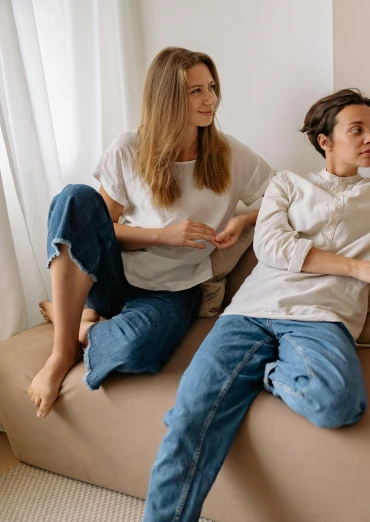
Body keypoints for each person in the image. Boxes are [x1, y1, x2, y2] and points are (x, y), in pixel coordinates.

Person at [142, 88, 370, 521]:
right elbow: (272, 246)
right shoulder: (287, 184)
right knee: (189, 417)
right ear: (325, 141)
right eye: (356, 130)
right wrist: (358, 268)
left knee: (339, 404)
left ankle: (268, 375)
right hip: (251, 312)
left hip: (321, 319)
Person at [28, 47, 274, 419]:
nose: (211, 100)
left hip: (174, 291)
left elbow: (288, 198)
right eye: (196, 91)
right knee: (74, 198)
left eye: (211, 87)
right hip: (113, 276)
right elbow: (100, 227)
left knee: (134, 351)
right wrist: (163, 236)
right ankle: (61, 354)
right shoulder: (128, 149)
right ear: (167, 98)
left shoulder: (230, 155)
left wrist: (243, 220)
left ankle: (80, 326)